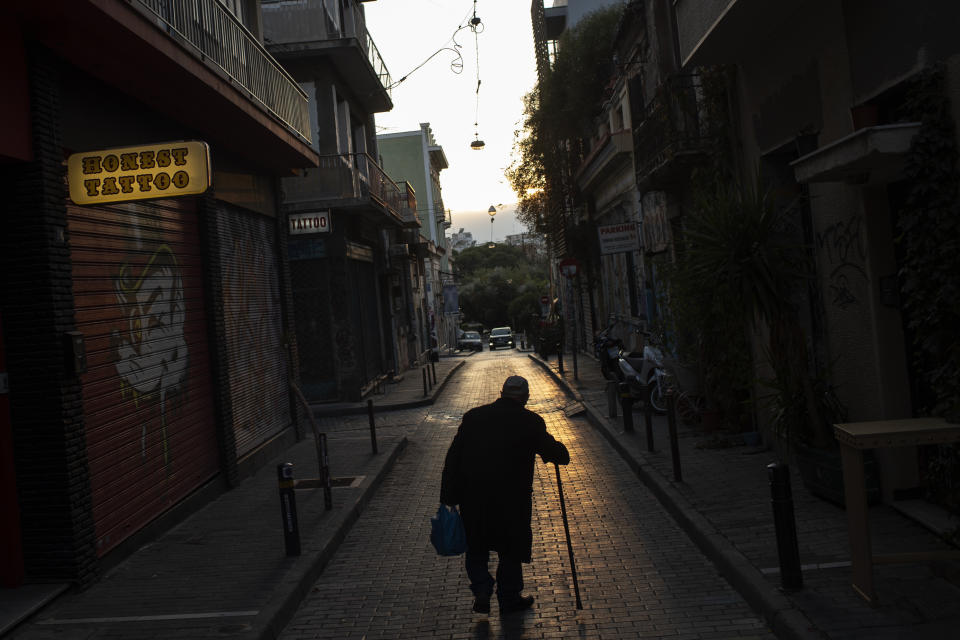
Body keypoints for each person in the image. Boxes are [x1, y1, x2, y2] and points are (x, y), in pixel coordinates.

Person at [440, 375, 570, 615]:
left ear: (501, 393)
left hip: (474, 498)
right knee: (510, 548)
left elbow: (453, 458)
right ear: (525, 397)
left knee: (476, 545)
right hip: (512, 500)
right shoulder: (530, 421)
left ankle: (481, 587)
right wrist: (562, 453)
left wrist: (448, 495)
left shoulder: (473, 417)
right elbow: (554, 452)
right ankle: (509, 598)